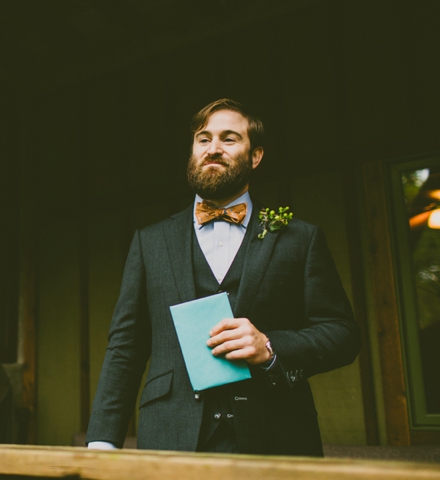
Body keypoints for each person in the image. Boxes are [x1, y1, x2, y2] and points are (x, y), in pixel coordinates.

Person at [86, 99, 360, 456]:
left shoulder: (300, 238)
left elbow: (342, 334)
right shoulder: (149, 242)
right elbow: (125, 346)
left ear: (256, 156)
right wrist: (102, 442)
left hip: (276, 438)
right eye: (204, 139)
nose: (213, 148)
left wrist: (270, 346)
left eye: (229, 139)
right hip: (171, 439)